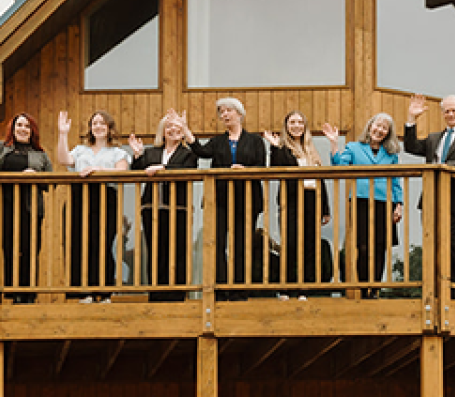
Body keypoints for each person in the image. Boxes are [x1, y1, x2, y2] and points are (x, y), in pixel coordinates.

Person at [190, 97, 282, 292]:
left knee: (241, 244)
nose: (224, 115)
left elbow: (261, 166)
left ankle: (239, 289)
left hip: (247, 199)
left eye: (228, 111)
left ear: (239, 114)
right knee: (218, 243)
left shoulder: (255, 141)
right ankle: (221, 288)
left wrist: (245, 169)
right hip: (220, 199)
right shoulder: (217, 141)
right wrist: (187, 133)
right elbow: (201, 152)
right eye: (221, 112)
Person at [0, 87, 52, 303]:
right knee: (9, 248)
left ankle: (28, 294)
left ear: (32, 131)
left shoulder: (40, 155)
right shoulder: (2, 149)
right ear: (13, 128)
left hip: (31, 208)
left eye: (27, 126)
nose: (23, 129)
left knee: (29, 249)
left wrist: (34, 175)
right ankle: (12, 291)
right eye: (19, 125)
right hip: (6, 206)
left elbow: (50, 182)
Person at [404, 94, 455, 282]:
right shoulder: (434, 138)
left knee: (453, 246)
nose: (450, 114)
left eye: (454, 110)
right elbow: (411, 147)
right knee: (431, 243)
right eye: (447, 111)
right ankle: (432, 287)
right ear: (442, 114)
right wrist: (411, 119)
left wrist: (445, 167)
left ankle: (454, 289)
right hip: (431, 198)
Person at [56, 109, 131, 301]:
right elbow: (64, 159)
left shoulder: (118, 152)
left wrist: (97, 170)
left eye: (102, 123)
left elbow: (122, 171)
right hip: (79, 197)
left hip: (106, 198)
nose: (98, 126)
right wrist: (63, 133)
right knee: (78, 243)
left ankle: (103, 291)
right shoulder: (81, 150)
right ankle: (82, 291)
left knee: (103, 243)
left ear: (109, 128)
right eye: (94, 123)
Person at [323, 114, 403, 291]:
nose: (379, 130)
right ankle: (363, 286)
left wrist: (399, 205)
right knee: (364, 246)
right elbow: (339, 168)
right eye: (377, 126)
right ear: (370, 126)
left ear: (388, 133)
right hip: (361, 202)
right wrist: (334, 143)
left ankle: (374, 289)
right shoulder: (354, 147)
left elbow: (396, 181)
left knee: (380, 247)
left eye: (384, 128)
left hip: (384, 202)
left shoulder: (391, 154)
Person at [128, 110, 200, 301]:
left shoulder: (188, 154)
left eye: (177, 127)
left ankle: (177, 295)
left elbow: (188, 170)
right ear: (163, 130)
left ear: (183, 132)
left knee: (177, 251)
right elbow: (137, 171)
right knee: (155, 251)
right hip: (151, 209)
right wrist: (136, 155)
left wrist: (163, 169)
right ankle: (156, 294)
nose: (173, 130)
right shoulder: (152, 152)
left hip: (177, 210)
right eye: (169, 126)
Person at [264, 110, 330, 292]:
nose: (297, 126)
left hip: (312, 200)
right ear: (286, 126)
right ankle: (285, 288)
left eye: (300, 122)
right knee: (290, 244)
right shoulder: (283, 149)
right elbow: (276, 169)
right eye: (292, 122)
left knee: (310, 244)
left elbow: (321, 180)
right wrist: (274, 146)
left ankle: (304, 288)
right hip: (291, 201)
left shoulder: (312, 150)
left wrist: (325, 208)